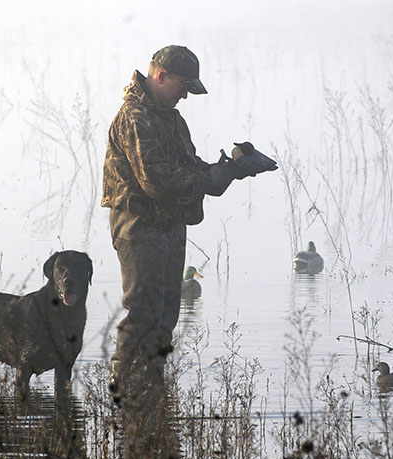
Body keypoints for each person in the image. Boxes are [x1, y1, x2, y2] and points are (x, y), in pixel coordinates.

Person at [102, 45, 274, 395]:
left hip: (169, 224)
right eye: (183, 86)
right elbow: (156, 180)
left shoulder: (170, 117)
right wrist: (209, 180)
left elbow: (187, 166)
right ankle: (122, 389)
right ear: (161, 77)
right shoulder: (134, 117)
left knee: (166, 314)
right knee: (144, 312)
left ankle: (152, 388)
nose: (185, 95)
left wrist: (228, 170)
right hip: (139, 226)